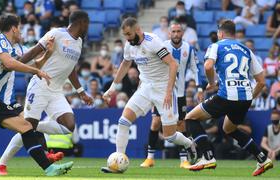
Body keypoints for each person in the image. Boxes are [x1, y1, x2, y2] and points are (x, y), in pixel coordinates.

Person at [0, 13, 73, 176]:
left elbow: (35, 63)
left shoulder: (19, 49)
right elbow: (7, 62)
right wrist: (36, 71)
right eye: (19, 28)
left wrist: (47, 53)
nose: (21, 32)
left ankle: (49, 168)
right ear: (13, 28)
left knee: (26, 126)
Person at [0, 10, 93, 175]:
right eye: (87, 24)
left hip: (56, 91)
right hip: (39, 85)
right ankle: (1, 164)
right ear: (82, 22)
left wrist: (81, 92)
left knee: (69, 126)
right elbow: (34, 51)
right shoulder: (56, 34)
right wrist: (13, 65)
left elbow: (71, 68)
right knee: (27, 128)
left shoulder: (79, 42)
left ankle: (33, 126)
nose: (88, 27)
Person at [101, 17, 197, 173]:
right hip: (145, 88)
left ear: (138, 30)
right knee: (123, 121)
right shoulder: (129, 45)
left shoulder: (153, 42)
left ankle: (189, 144)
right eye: (125, 35)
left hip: (163, 89)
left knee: (169, 136)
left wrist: (168, 92)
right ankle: (117, 162)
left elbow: (173, 64)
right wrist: (112, 88)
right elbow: (125, 64)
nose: (127, 38)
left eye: (129, 34)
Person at [184, 19, 273, 176]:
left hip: (227, 96)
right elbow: (261, 82)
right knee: (228, 129)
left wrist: (211, 83)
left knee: (190, 118)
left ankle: (207, 156)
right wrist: (248, 98)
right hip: (244, 98)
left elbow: (208, 66)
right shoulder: (246, 50)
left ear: (221, 33)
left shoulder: (216, 46)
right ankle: (262, 158)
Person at [140, 22, 203, 169]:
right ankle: (150, 158)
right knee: (155, 122)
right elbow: (152, 67)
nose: (176, 34)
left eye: (178, 31)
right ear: (169, 33)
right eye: (173, 31)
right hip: (161, 92)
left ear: (182, 33)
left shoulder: (189, 48)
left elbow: (196, 69)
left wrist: (199, 88)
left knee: (180, 125)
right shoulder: (162, 47)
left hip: (179, 94)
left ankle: (183, 160)